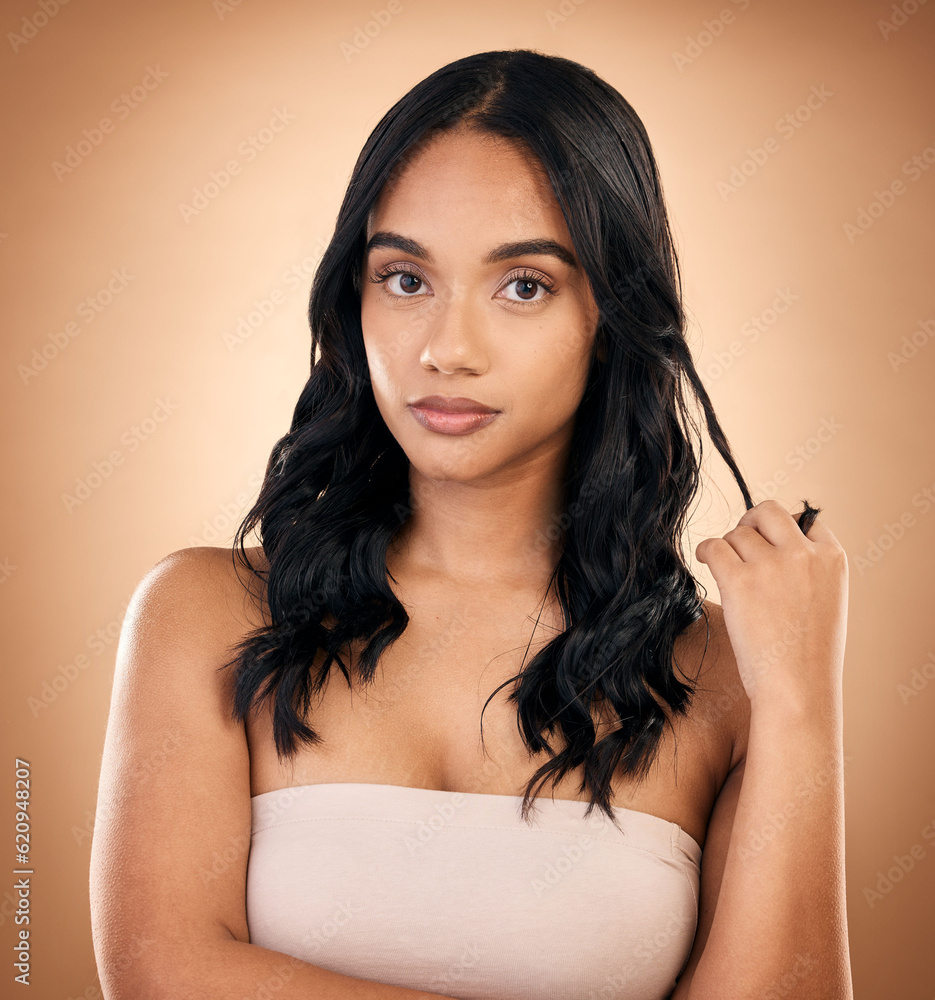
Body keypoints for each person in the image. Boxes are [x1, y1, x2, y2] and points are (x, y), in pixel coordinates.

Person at [89, 48, 853, 999]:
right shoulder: (205, 615)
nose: (447, 350)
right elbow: (163, 977)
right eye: (405, 279)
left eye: (523, 285)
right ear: (352, 299)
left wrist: (800, 705)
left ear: (609, 318)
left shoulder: (724, 672)